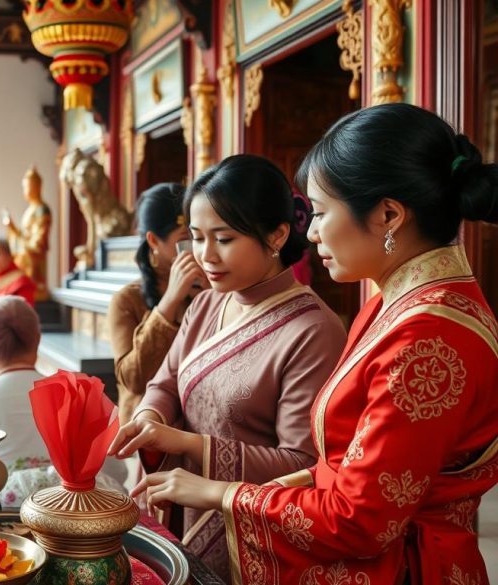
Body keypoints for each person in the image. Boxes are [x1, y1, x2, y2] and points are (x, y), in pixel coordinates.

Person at [113, 104, 498, 584]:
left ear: (388, 215)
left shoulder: (426, 338)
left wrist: (219, 494)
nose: (311, 231)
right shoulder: (398, 306)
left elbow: (358, 518)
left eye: (319, 212)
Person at [108, 155, 347, 580]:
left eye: (224, 239)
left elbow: (301, 464)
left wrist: (186, 444)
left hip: (254, 533)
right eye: (197, 238)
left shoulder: (314, 330)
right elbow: (162, 384)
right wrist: (148, 419)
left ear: (275, 235)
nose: (206, 256)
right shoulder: (204, 305)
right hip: (181, 502)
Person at [0, 295, 126, 506]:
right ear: (37, 340)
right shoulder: (78, 396)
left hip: (0, 526)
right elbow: (116, 473)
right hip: (78, 516)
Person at [108, 183, 204, 425]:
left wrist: (213, 293)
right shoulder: (127, 300)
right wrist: (170, 300)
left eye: (198, 237)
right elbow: (133, 379)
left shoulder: (209, 287)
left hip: (201, 426)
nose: (196, 249)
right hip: (149, 428)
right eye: (185, 239)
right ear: (153, 240)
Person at [3, 165, 52, 300]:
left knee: (22, 257)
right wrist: (12, 228)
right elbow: (23, 235)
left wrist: (18, 236)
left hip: (33, 256)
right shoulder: (30, 210)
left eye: (28, 186)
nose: (26, 190)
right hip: (25, 249)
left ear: (37, 187)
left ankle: (33, 287)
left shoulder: (42, 209)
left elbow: (38, 242)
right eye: (24, 187)